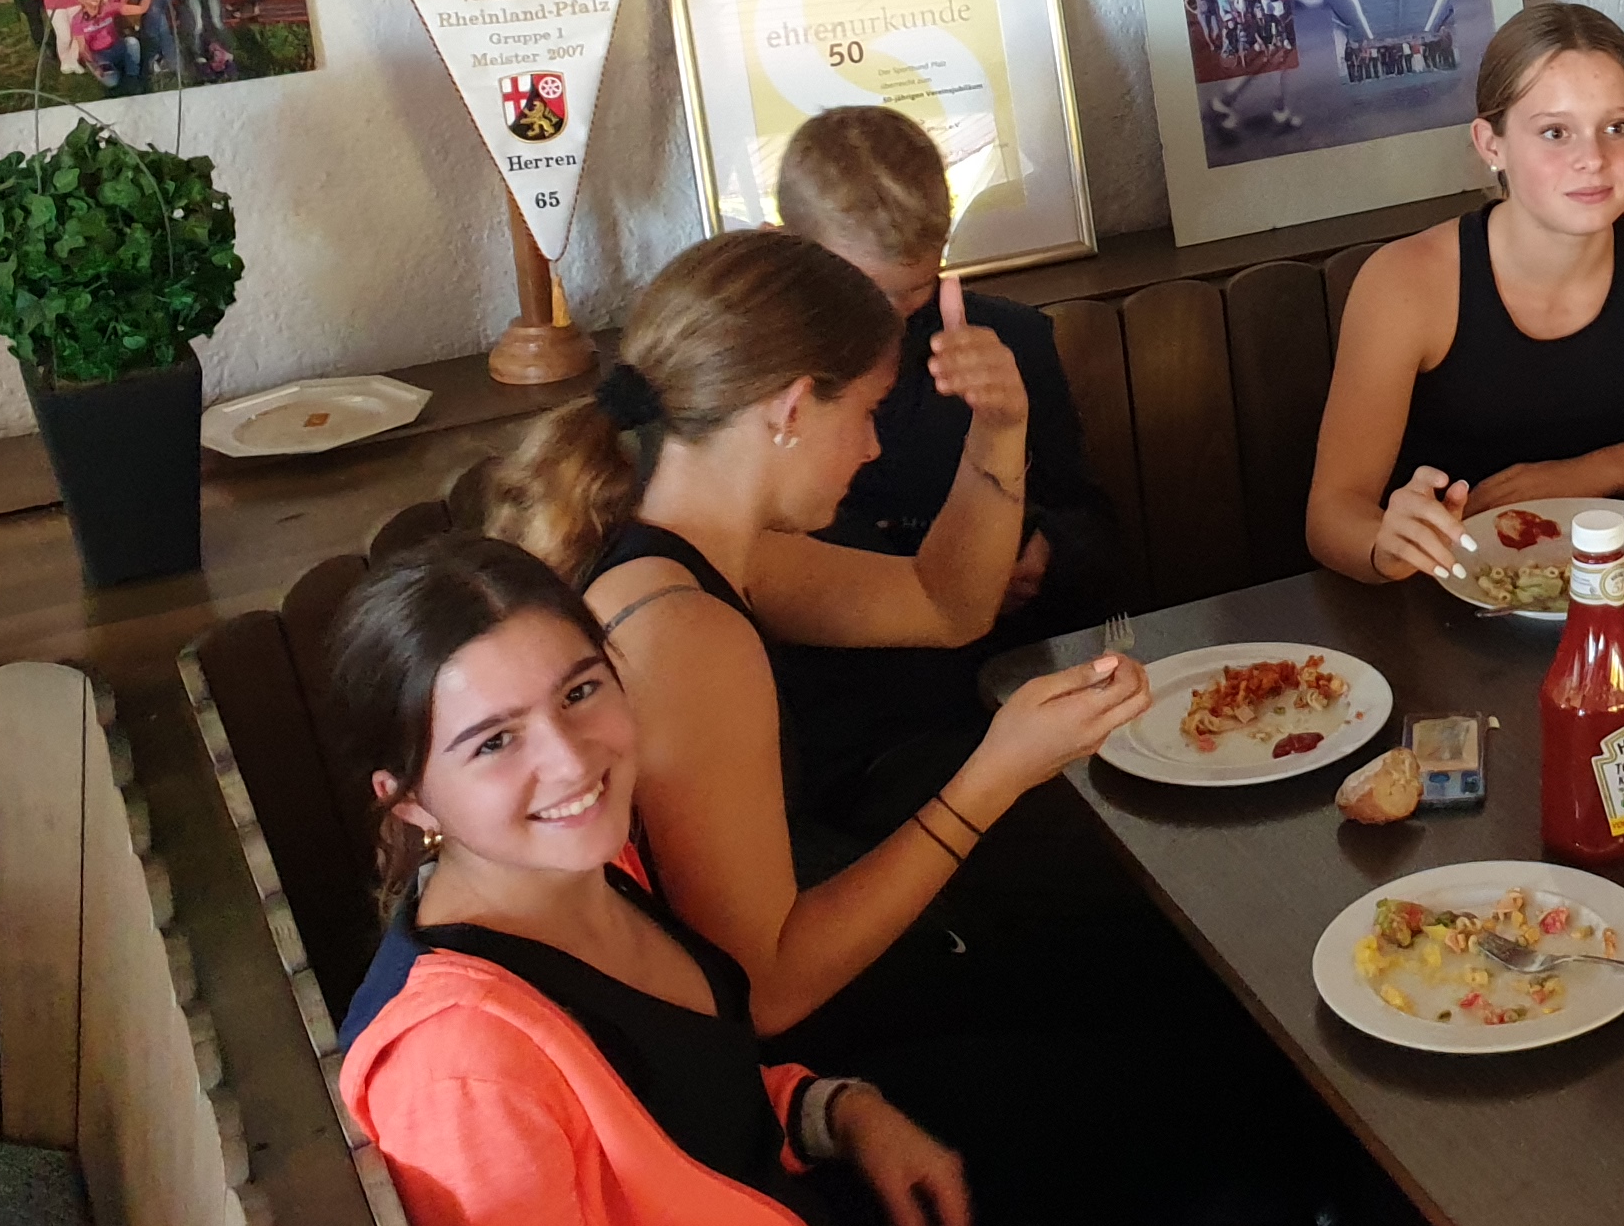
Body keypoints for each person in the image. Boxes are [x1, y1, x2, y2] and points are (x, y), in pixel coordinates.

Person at [327, 536, 1486, 1226]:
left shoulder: (582, 869)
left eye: (582, 692)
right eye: (494, 741)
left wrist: (833, 1109)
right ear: (408, 799)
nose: (569, 760)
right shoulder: (462, 1065)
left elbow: (673, 1093)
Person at [484, 229, 1146, 1042]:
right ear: (792, 408)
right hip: (793, 1054)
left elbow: (948, 603)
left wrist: (1000, 429)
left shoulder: (688, 541)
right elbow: (767, 992)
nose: (872, 447)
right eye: (866, 412)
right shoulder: (681, 632)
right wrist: (997, 772)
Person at [1307, 3, 1624, 582]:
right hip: (1437, 586)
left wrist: (1589, 472)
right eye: (1555, 132)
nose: (1592, 160)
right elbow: (1331, 514)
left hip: (1605, 574)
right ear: (1491, 143)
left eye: (1616, 128)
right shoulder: (1404, 280)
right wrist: (1385, 547)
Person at [769, 106, 1129, 840]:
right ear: (792, 254)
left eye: (920, 288)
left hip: (1021, 686)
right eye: (871, 293)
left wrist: (1046, 551)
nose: (900, 318)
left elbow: (1094, 529)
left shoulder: (1004, 340)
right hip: (867, 744)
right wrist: (958, 556)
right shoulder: (766, 390)